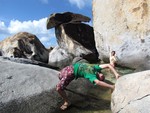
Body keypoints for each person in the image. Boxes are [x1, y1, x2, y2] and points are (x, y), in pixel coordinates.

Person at [56, 62, 120, 110]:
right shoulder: (96, 68)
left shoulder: (92, 76)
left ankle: (67, 102)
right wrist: (116, 74)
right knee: (60, 80)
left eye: (102, 79)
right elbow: (108, 65)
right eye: (103, 76)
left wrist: (111, 86)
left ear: (98, 78)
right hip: (68, 68)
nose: (103, 77)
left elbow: (97, 82)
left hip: (70, 74)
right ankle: (62, 83)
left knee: (58, 88)